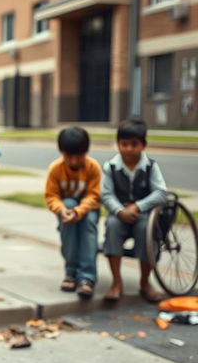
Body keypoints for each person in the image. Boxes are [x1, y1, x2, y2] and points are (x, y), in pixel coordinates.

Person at [101, 119, 167, 302]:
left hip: (143, 213)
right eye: (124, 144)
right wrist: (120, 210)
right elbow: (106, 195)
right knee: (113, 227)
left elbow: (161, 192)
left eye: (134, 144)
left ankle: (145, 282)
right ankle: (116, 282)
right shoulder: (111, 167)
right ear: (118, 145)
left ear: (143, 145)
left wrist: (138, 206)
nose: (129, 149)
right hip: (119, 213)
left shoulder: (151, 167)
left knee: (146, 229)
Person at [44, 127, 101, 298]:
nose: (75, 161)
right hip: (66, 212)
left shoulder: (93, 168)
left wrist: (79, 211)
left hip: (88, 210)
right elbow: (51, 196)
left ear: (86, 152)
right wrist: (62, 210)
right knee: (68, 212)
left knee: (88, 228)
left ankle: (87, 277)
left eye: (79, 156)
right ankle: (71, 272)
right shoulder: (55, 169)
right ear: (62, 152)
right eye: (70, 157)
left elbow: (94, 195)